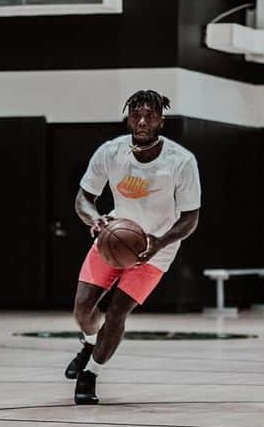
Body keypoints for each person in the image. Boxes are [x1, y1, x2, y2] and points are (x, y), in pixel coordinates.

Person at [67, 90, 201, 405]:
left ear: (161, 120)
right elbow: (83, 198)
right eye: (136, 115)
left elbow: (191, 218)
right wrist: (95, 220)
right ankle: (88, 344)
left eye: (150, 115)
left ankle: (91, 374)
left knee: (117, 312)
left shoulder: (181, 162)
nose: (141, 121)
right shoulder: (110, 152)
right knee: (83, 309)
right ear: (128, 118)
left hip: (156, 247)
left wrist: (160, 242)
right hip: (114, 238)